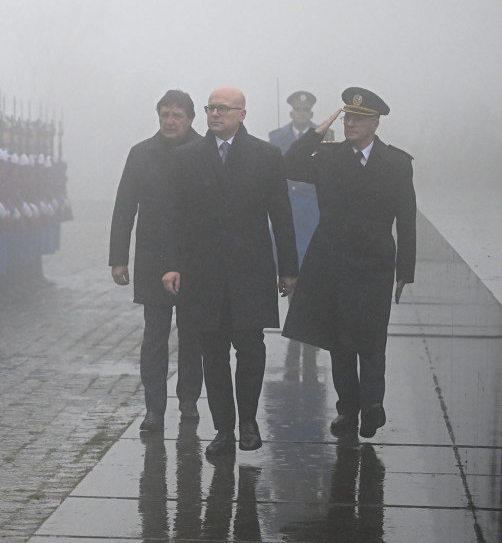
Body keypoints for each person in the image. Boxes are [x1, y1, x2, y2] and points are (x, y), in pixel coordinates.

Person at [160, 87, 298, 457]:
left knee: (250, 347)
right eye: (211, 108)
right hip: (203, 271)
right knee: (213, 352)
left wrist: (289, 269)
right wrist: (171, 264)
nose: (215, 114)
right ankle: (223, 429)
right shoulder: (188, 157)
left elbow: (281, 216)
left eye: (223, 108)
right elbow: (174, 217)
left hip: (249, 269)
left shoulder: (265, 156)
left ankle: (249, 421)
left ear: (242, 113)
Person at [282, 87, 415, 439]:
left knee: (371, 338)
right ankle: (348, 409)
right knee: (340, 341)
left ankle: (373, 406)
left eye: (358, 118)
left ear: (375, 123)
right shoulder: (328, 157)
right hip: (333, 260)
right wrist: (319, 129)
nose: (350, 123)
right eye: (346, 117)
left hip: (374, 262)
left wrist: (406, 271)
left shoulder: (397, 162)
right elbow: (290, 164)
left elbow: (407, 218)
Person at [109, 90, 205, 433]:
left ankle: (189, 400)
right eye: (165, 114)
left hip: (195, 256)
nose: (170, 120)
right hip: (153, 256)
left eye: (177, 115)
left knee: (193, 335)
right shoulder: (141, 154)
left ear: (191, 118)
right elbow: (125, 206)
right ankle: (154, 407)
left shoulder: (205, 151)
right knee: (154, 337)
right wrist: (118, 258)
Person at [269, 91, 334, 377]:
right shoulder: (276, 136)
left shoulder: (327, 133)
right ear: (292, 113)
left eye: (307, 111)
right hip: (287, 209)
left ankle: (304, 331)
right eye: (298, 110)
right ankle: (297, 329)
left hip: (313, 209)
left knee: (311, 270)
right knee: (289, 268)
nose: (302, 115)